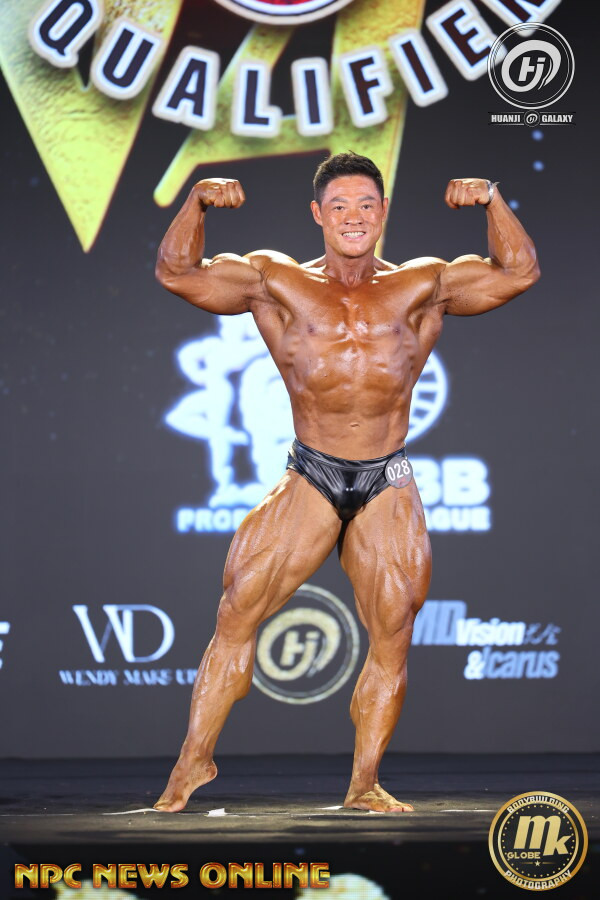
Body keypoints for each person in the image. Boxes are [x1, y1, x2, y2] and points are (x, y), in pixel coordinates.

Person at [153, 152, 540, 813]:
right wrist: (197, 200)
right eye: (339, 206)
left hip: (387, 475)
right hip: (313, 469)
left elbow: (518, 272)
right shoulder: (276, 281)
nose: (353, 217)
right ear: (318, 214)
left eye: (365, 205)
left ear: (383, 212)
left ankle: (364, 784)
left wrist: (492, 199)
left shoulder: (424, 283)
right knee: (237, 610)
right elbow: (177, 272)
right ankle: (191, 765)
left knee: (393, 633)